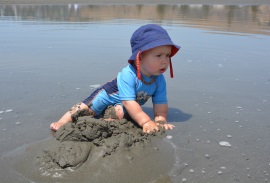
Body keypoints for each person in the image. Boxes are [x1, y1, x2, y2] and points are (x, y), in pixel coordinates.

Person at [50, 24, 180, 133]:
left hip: (124, 104)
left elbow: (160, 103)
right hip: (106, 96)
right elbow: (129, 102)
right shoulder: (128, 74)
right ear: (140, 57)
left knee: (120, 115)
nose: (165, 61)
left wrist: (161, 121)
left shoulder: (159, 79)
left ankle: (105, 116)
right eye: (159, 56)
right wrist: (146, 121)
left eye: (167, 55)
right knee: (85, 108)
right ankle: (63, 121)